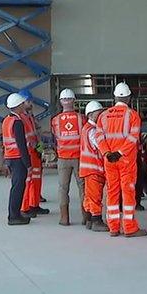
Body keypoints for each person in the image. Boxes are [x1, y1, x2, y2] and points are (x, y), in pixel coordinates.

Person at [95, 82, 147, 237]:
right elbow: (133, 138)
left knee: (112, 191)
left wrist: (107, 153)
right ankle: (130, 228)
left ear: (115, 97)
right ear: (129, 98)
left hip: (109, 160)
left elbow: (98, 136)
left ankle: (113, 228)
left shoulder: (103, 115)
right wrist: (119, 152)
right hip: (126, 161)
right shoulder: (133, 115)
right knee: (128, 192)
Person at [51, 88, 86, 226]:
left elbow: (55, 138)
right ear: (73, 100)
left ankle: (64, 218)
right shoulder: (81, 118)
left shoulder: (55, 120)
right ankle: (86, 216)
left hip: (63, 158)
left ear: (61, 102)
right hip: (79, 157)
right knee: (82, 187)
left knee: (63, 188)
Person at [2, 93, 34, 225]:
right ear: (18, 106)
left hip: (10, 157)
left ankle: (14, 213)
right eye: (22, 104)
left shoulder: (7, 120)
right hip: (17, 158)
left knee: (16, 186)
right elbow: (21, 144)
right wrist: (28, 163)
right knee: (18, 187)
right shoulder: (17, 122)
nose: (23, 106)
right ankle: (14, 216)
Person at [79, 100, 108, 232]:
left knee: (90, 196)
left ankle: (90, 219)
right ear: (90, 115)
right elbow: (99, 146)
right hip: (93, 169)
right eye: (99, 113)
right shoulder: (92, 130)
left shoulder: (87, 128)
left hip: (89, 169)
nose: (101, 115)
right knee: (95, 196)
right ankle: (97, 220)